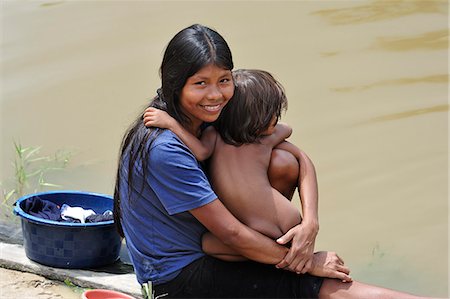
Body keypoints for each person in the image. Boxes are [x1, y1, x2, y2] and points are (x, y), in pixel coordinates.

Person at [114, 24, 438, 299]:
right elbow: (230, 234)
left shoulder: (207, 118)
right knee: (319, 286)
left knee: (281, 160)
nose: (215, 95)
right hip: (178, 275)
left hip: (218, 242)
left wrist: (310, 223)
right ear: (175, 83)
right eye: (201, 83)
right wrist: (306, 262)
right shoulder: (165, 148)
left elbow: (300, 158)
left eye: (224, 80)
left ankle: (279, 250)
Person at [143, 69, 322, 267]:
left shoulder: (213, 135)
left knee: (206, 244)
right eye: (274, 114)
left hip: (255, 230)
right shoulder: (266, 140)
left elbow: (200, 152)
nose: (277, 119)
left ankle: (267, 255)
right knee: (285, 158)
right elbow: (288, 129)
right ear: (260, 122)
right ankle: (282, 253)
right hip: (290, 220)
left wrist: (171, 124)